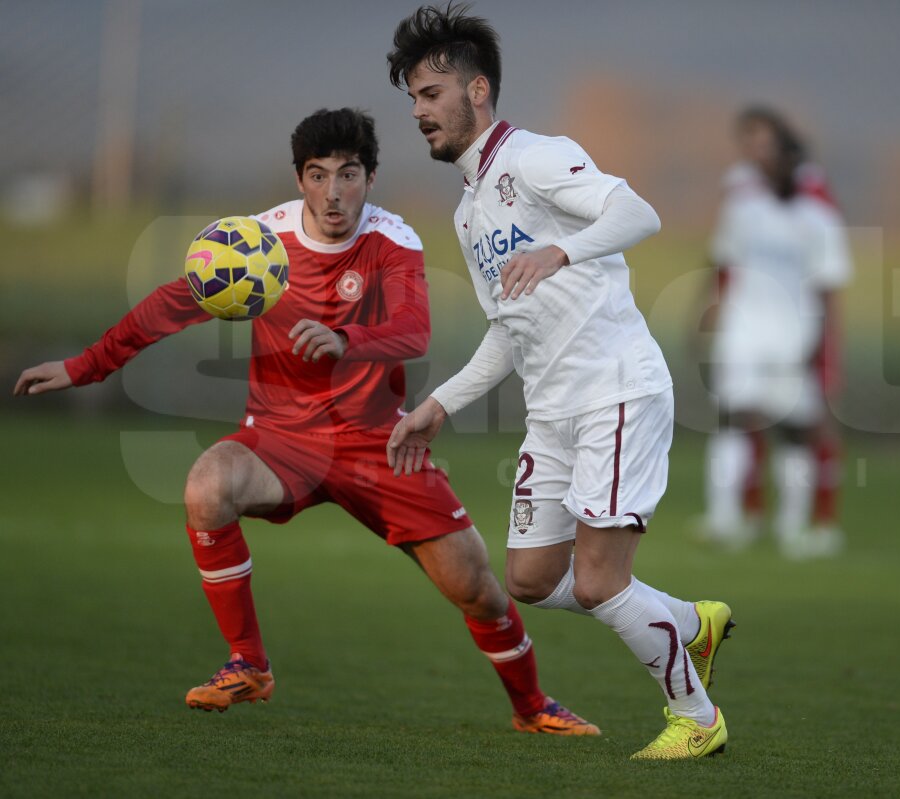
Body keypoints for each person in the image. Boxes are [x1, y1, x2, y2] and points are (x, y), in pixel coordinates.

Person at [12, 107, 597, 735]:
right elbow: (172, 304)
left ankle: (532, 707)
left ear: (370, 178)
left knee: (476, 586)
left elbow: (412, 332)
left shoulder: (392, 241)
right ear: (299, 179)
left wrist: (346, 339)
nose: (333, 192)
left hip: (378, 445)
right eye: (318, 175)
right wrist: (85, 367)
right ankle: (248, 664)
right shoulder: (259, 244)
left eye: (348, 174)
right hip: (279, 440)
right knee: (206, 486)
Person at [383, 5, 733, 760]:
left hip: (616, 391)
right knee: (533, 579)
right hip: (552, 413)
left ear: (478, 90)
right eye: (413, 98)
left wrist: (561, 252)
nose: (418, 111)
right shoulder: (470, 212)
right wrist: (440, 403)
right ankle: (686, 623)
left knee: (603, 582)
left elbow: (637, 213)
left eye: (431, 93)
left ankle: (697, 717)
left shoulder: (536, 157)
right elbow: (509, 330)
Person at [700, 107, 853, 559]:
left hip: (793, 338)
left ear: (797, 163)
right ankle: (725, 519)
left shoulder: (819, 219)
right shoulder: (744, 209)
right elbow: (721, 264)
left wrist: (823, 342)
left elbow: (829, 285)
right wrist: (707, 316)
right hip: (743, 332)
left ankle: (793, 528)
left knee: (795, 431)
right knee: (733, 420)